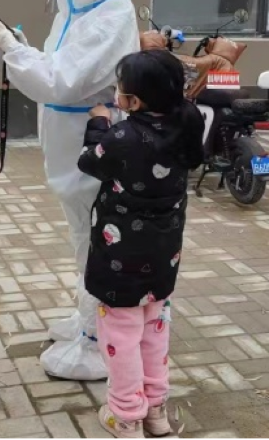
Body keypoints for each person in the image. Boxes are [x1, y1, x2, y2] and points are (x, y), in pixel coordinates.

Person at [0, 0, 140, 381]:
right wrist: (23, 48)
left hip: (90, 143)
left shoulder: (111, 16)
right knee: (81, 233)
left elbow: (60, 81)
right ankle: (87, 315)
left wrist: (10, 47)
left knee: (96, 236)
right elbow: (56, 64)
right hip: (68, 142)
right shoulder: (79, 8)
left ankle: (96, 339)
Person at [80, 50, 204, 439]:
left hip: (121, 255)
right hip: (165, 251)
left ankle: (125, 416)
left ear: (132, 101)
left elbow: (89, 162)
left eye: (120, 89)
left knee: (120, 331)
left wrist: (99, 123)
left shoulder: (122, 137)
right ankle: (155, 411)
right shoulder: (188, 120)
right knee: (155, 326)